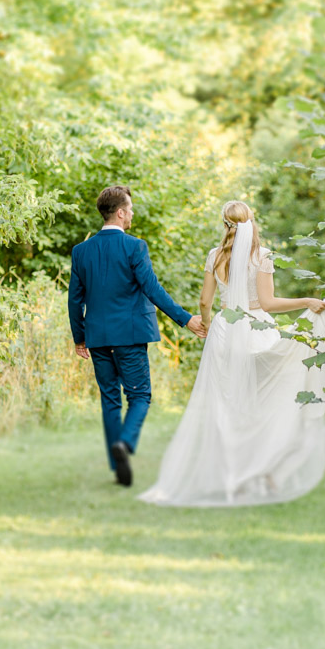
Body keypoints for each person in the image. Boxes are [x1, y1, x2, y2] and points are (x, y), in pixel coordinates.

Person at [138, 200, 325, 507]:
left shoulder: (214, 256)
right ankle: (261, 469)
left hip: (225, 332)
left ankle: (235, 476)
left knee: (228, 407)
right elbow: (267, 303)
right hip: (257, 331)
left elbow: (203, 301)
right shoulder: (261, 256)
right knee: (269, 401)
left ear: (225, 224)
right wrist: (306, 301)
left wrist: (208, 325)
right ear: (251, 222)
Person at [68, 185, 208, 487]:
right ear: (120, 212)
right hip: (130, 336)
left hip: (97, 337)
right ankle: (126, 444)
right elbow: (152, 289)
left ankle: (116, 465)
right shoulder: (135, 247)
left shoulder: (81, 252)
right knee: (140, 396)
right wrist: (186, 320)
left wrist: (80, 337)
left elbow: (74, 299)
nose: (132, 213)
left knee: (110, 400)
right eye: (129, 208)